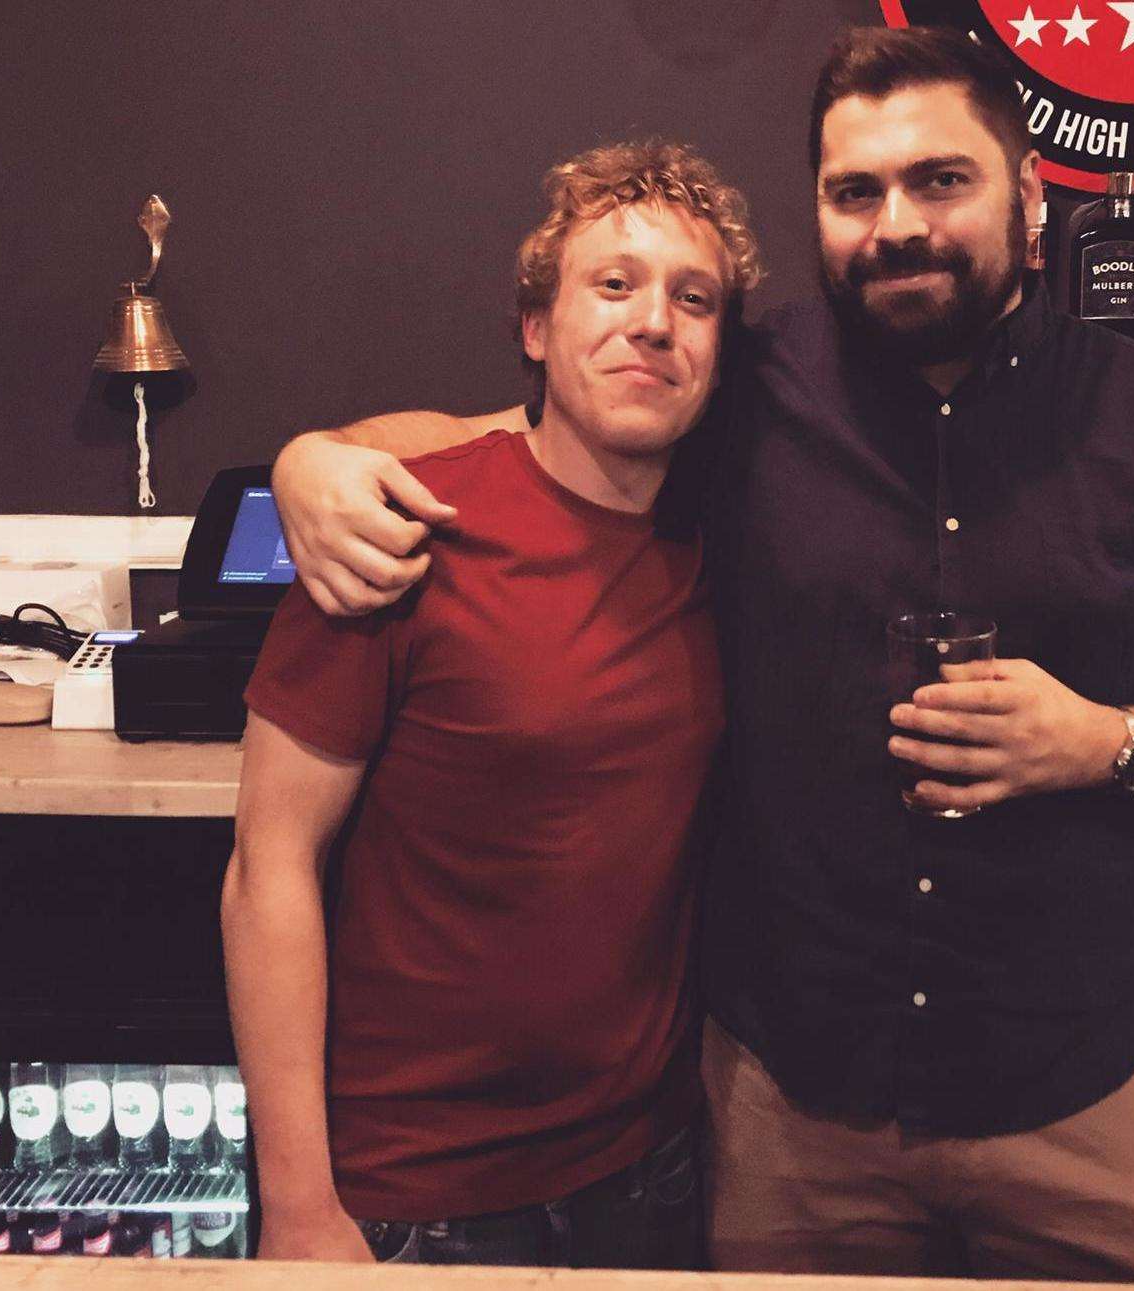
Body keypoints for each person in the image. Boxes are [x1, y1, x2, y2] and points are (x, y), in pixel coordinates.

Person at [267, 27, 1134, 1284]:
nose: (896, 225)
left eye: (940, 180)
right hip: (795, 1111)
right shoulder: (740, 386)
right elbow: (518, 431)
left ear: (1031, 194)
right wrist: (311, 462)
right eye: (853, 191)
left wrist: (1105, 740)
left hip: (1079, 1086)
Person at [220, 139, 761, 1268]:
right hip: (412, 1196)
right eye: (613, 284)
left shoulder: (732, 542)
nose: (654, 320)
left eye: (692, 297)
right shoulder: (398, 529)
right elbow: (267, 867)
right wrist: (301, 1207)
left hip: (645, 1170)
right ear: (535, 328)